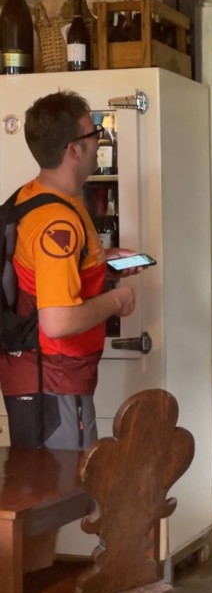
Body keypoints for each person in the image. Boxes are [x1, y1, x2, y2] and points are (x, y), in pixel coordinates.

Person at [0, 90, 139, 450]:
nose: (99, 139)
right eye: (93, 132)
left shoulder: (36, 197)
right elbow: (57, 322)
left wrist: (100, 265)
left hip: (51, 376)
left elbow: (47, 271)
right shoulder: (57, 222)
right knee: (66, 495)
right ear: (74, 150)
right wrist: (116, 301)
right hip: (52, 379)